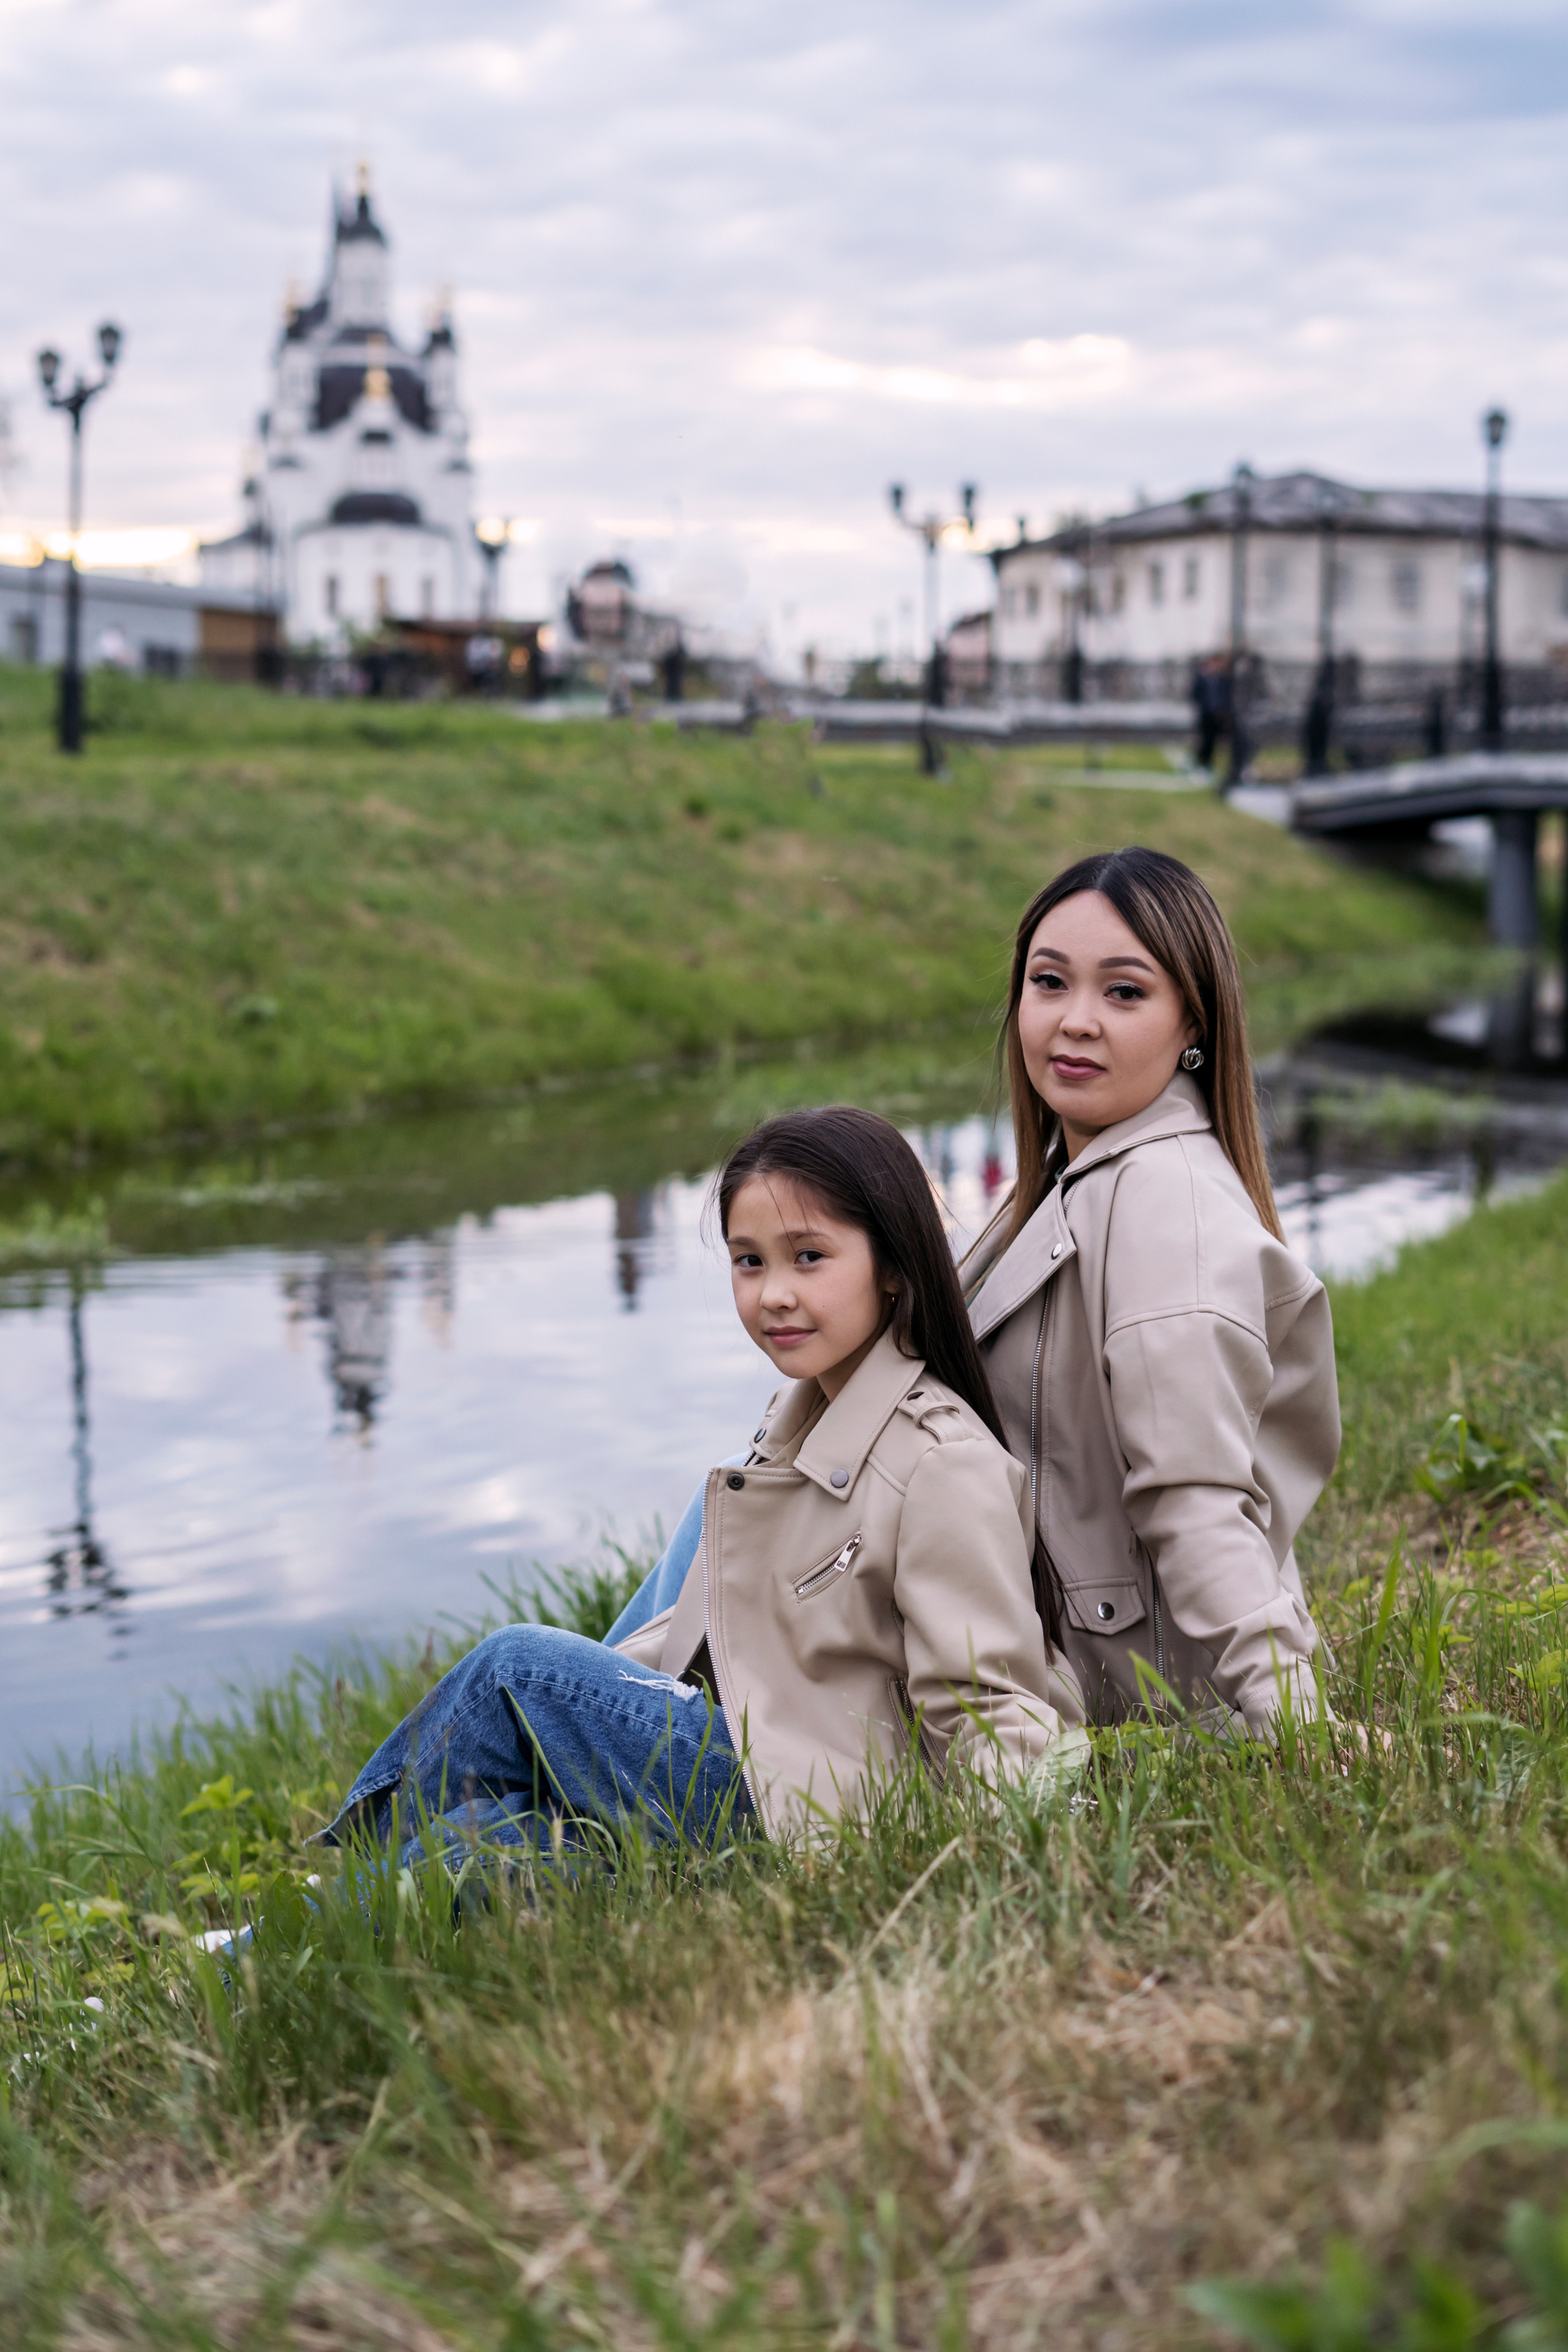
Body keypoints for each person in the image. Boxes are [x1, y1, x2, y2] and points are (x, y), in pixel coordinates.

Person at [320, 1108, 1086, 1871]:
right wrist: (610, 1700)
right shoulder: (793, 1424)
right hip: (754, 1764)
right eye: (748, 1261)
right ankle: (262, 1949)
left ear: (893, 1265)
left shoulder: (940, 1461)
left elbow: (990, 1703)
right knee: (486, 1854)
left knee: (519, 1668)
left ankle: (340, 1868)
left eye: (809, 1256)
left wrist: (991, 1854)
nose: (773, 1294)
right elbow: (720, 1636)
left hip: (813, 1809)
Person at [961, 847, 1341, 1736]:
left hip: (1076, 1687)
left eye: (1124, 993)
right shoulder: (1076, 1179)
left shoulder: (1166, 1203)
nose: (1075, 1021)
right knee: (730, 1521)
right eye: (1049, 983)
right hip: (979, 1636)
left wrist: (1298, 1721)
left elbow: (1196, 1496)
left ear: (1192, 1025)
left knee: (565, 1685)